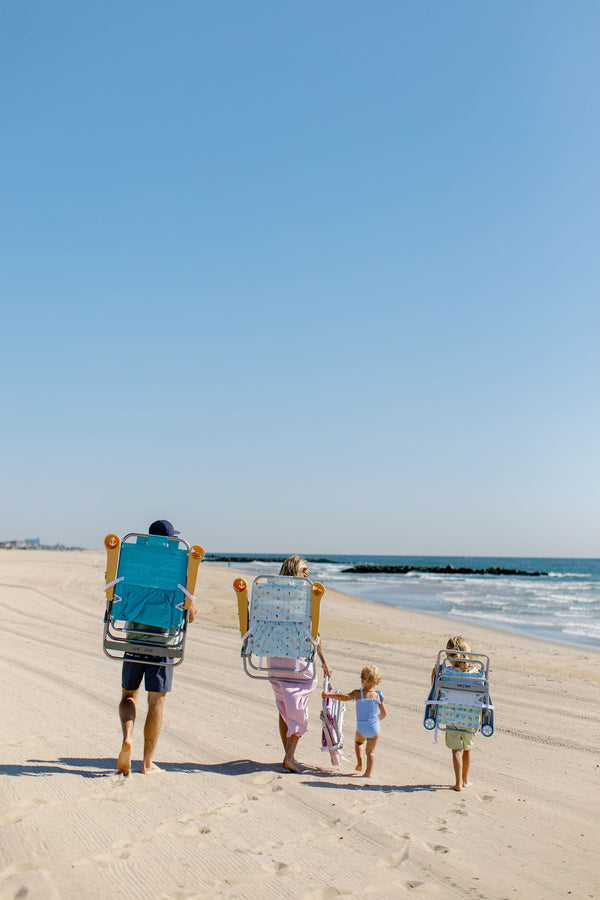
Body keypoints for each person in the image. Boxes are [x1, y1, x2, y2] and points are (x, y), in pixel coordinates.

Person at [117, 519, 197, 776]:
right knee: (156, 703)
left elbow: (117, 599)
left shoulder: (134, 566)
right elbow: (190, 613)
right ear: (171, 542)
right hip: (162, 644)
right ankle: (147, 762)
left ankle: (127, 737)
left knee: (129, 696)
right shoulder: (177, 571)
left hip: (134, 639)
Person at [269, 555, 332, 773]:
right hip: (296, 660)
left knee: (285, 707)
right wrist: (324, 661)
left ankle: (289, 754)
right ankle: (289, 756)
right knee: (298, 709)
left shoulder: (270, 595)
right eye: (304, 570)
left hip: (274, 658)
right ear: (294, 571)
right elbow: (315, 633)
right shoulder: (305, 596)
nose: (307, 574)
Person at [322, 664, 387, 778]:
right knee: (371, 752)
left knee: (358, 743)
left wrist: (329, 695)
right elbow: (384, 713)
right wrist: (376, 719)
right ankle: (368, 773)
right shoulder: (378, 696)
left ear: (362, 680)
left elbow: (345, 697)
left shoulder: (359, 693)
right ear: (377, 683)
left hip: (362, 728)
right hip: (374, 728)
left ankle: (360, 762)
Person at [431, 634, 477, 792]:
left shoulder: (447, 673)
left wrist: (434, 673)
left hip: (451, 716)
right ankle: (465, 780)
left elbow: (435, 689)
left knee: (456, 749)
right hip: (471, 718)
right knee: (467, 748)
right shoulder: (476, 672)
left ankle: (457, 782)